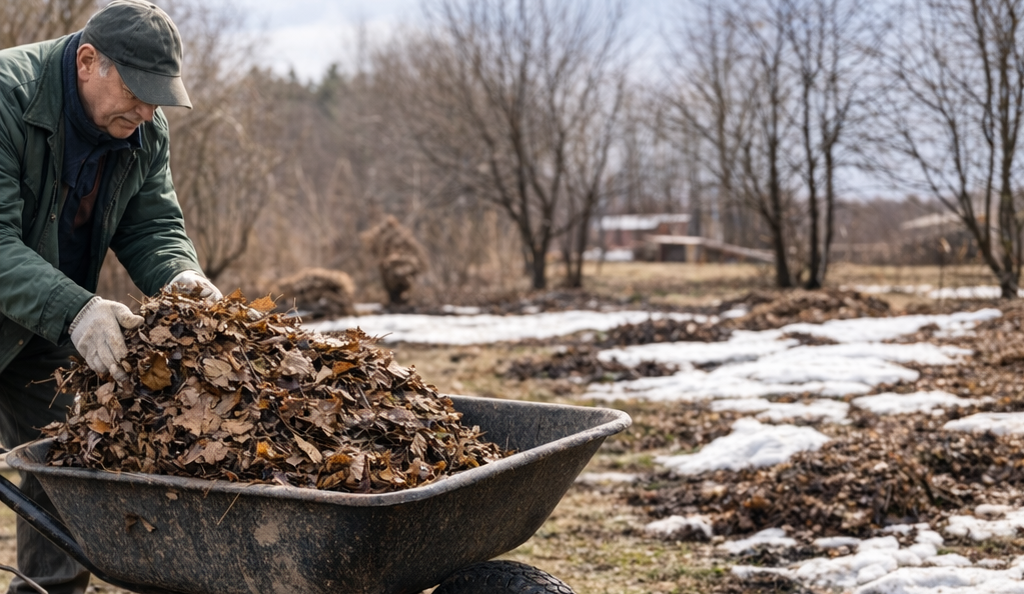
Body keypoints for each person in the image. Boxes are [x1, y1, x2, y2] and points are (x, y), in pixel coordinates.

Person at [0, 1, 221, 592]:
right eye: (138, 91)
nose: (148, 110)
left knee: (64, 474)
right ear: (89, 63)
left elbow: (151, 227)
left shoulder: (142, 130)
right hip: (53, 308)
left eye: (159, 95)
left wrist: (180, 278)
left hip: (41, 328)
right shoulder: (7, 97)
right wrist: (76, 309)